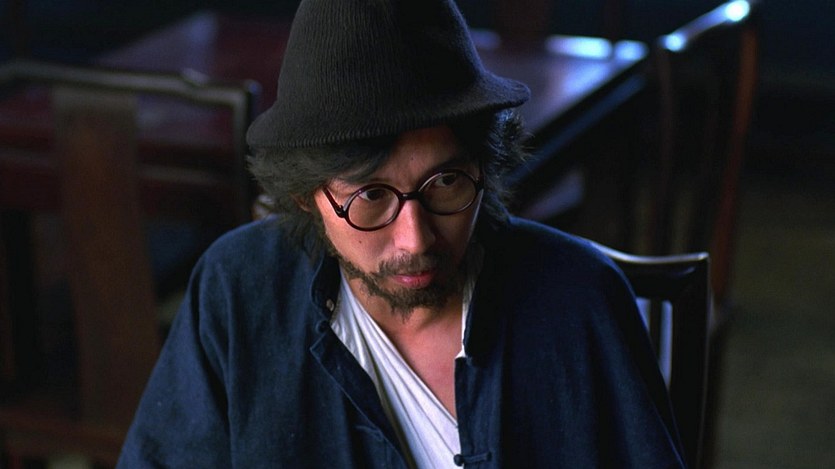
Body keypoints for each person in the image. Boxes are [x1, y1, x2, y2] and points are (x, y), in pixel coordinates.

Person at [117, 0, 686, 467]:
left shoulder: (580, 301)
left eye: (445, 183)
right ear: (306, 195)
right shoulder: (239, 292)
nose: (416, 240)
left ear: (483, 165)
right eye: (370, 196)